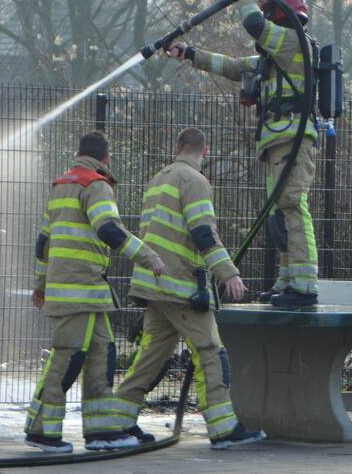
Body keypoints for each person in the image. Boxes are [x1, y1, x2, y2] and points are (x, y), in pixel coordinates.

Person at [112, 127, 266, 449]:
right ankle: (224, 429)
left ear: (177, 147)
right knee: (210, 351)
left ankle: (119, 421)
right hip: (180, 288)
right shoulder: (195, 181)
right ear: (205, 151)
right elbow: (202, 232)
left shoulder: (158, 179)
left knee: (150, 358)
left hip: (154, 287)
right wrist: (228, 273)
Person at [167, 0, 319, 308]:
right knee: (278, 214)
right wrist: (190, 54)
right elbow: (233, 66)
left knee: (291, 205)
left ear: (277, 15)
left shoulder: (293, 42)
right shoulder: (272, 59)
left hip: (292, 138)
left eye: (268, 13)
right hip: (277, 141)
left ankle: (304, 286)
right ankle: (288, 281)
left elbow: (254, 26)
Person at [25, 131, 167, 454]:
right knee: (67, 360)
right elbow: (108, 229)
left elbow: (43, 243)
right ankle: (42, 432)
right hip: (82, 290)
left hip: (83, 293)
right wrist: (148, 256)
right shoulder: (95, 184)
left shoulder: (61, 186)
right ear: (106, 158)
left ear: (79, 153)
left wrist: (41, 284)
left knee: (102, 357)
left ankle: (102, 432)